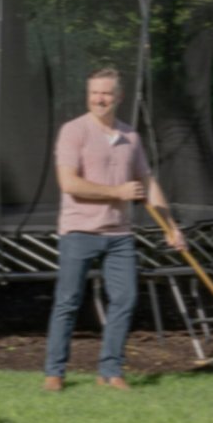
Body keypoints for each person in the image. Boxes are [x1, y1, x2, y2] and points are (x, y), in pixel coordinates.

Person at [43, 67, 185, 392]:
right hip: (79, 231)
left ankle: (110, 371)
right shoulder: (73, 131)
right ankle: (54, 372)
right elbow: (69, 183)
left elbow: (148, 183)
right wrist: (117, 192)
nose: (99, 99)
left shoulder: (130, 137)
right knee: (68, 301)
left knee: (125, 299)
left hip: (119, 235)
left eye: (106, 93)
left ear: (118, 97)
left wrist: (171, 227)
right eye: (94, 92)